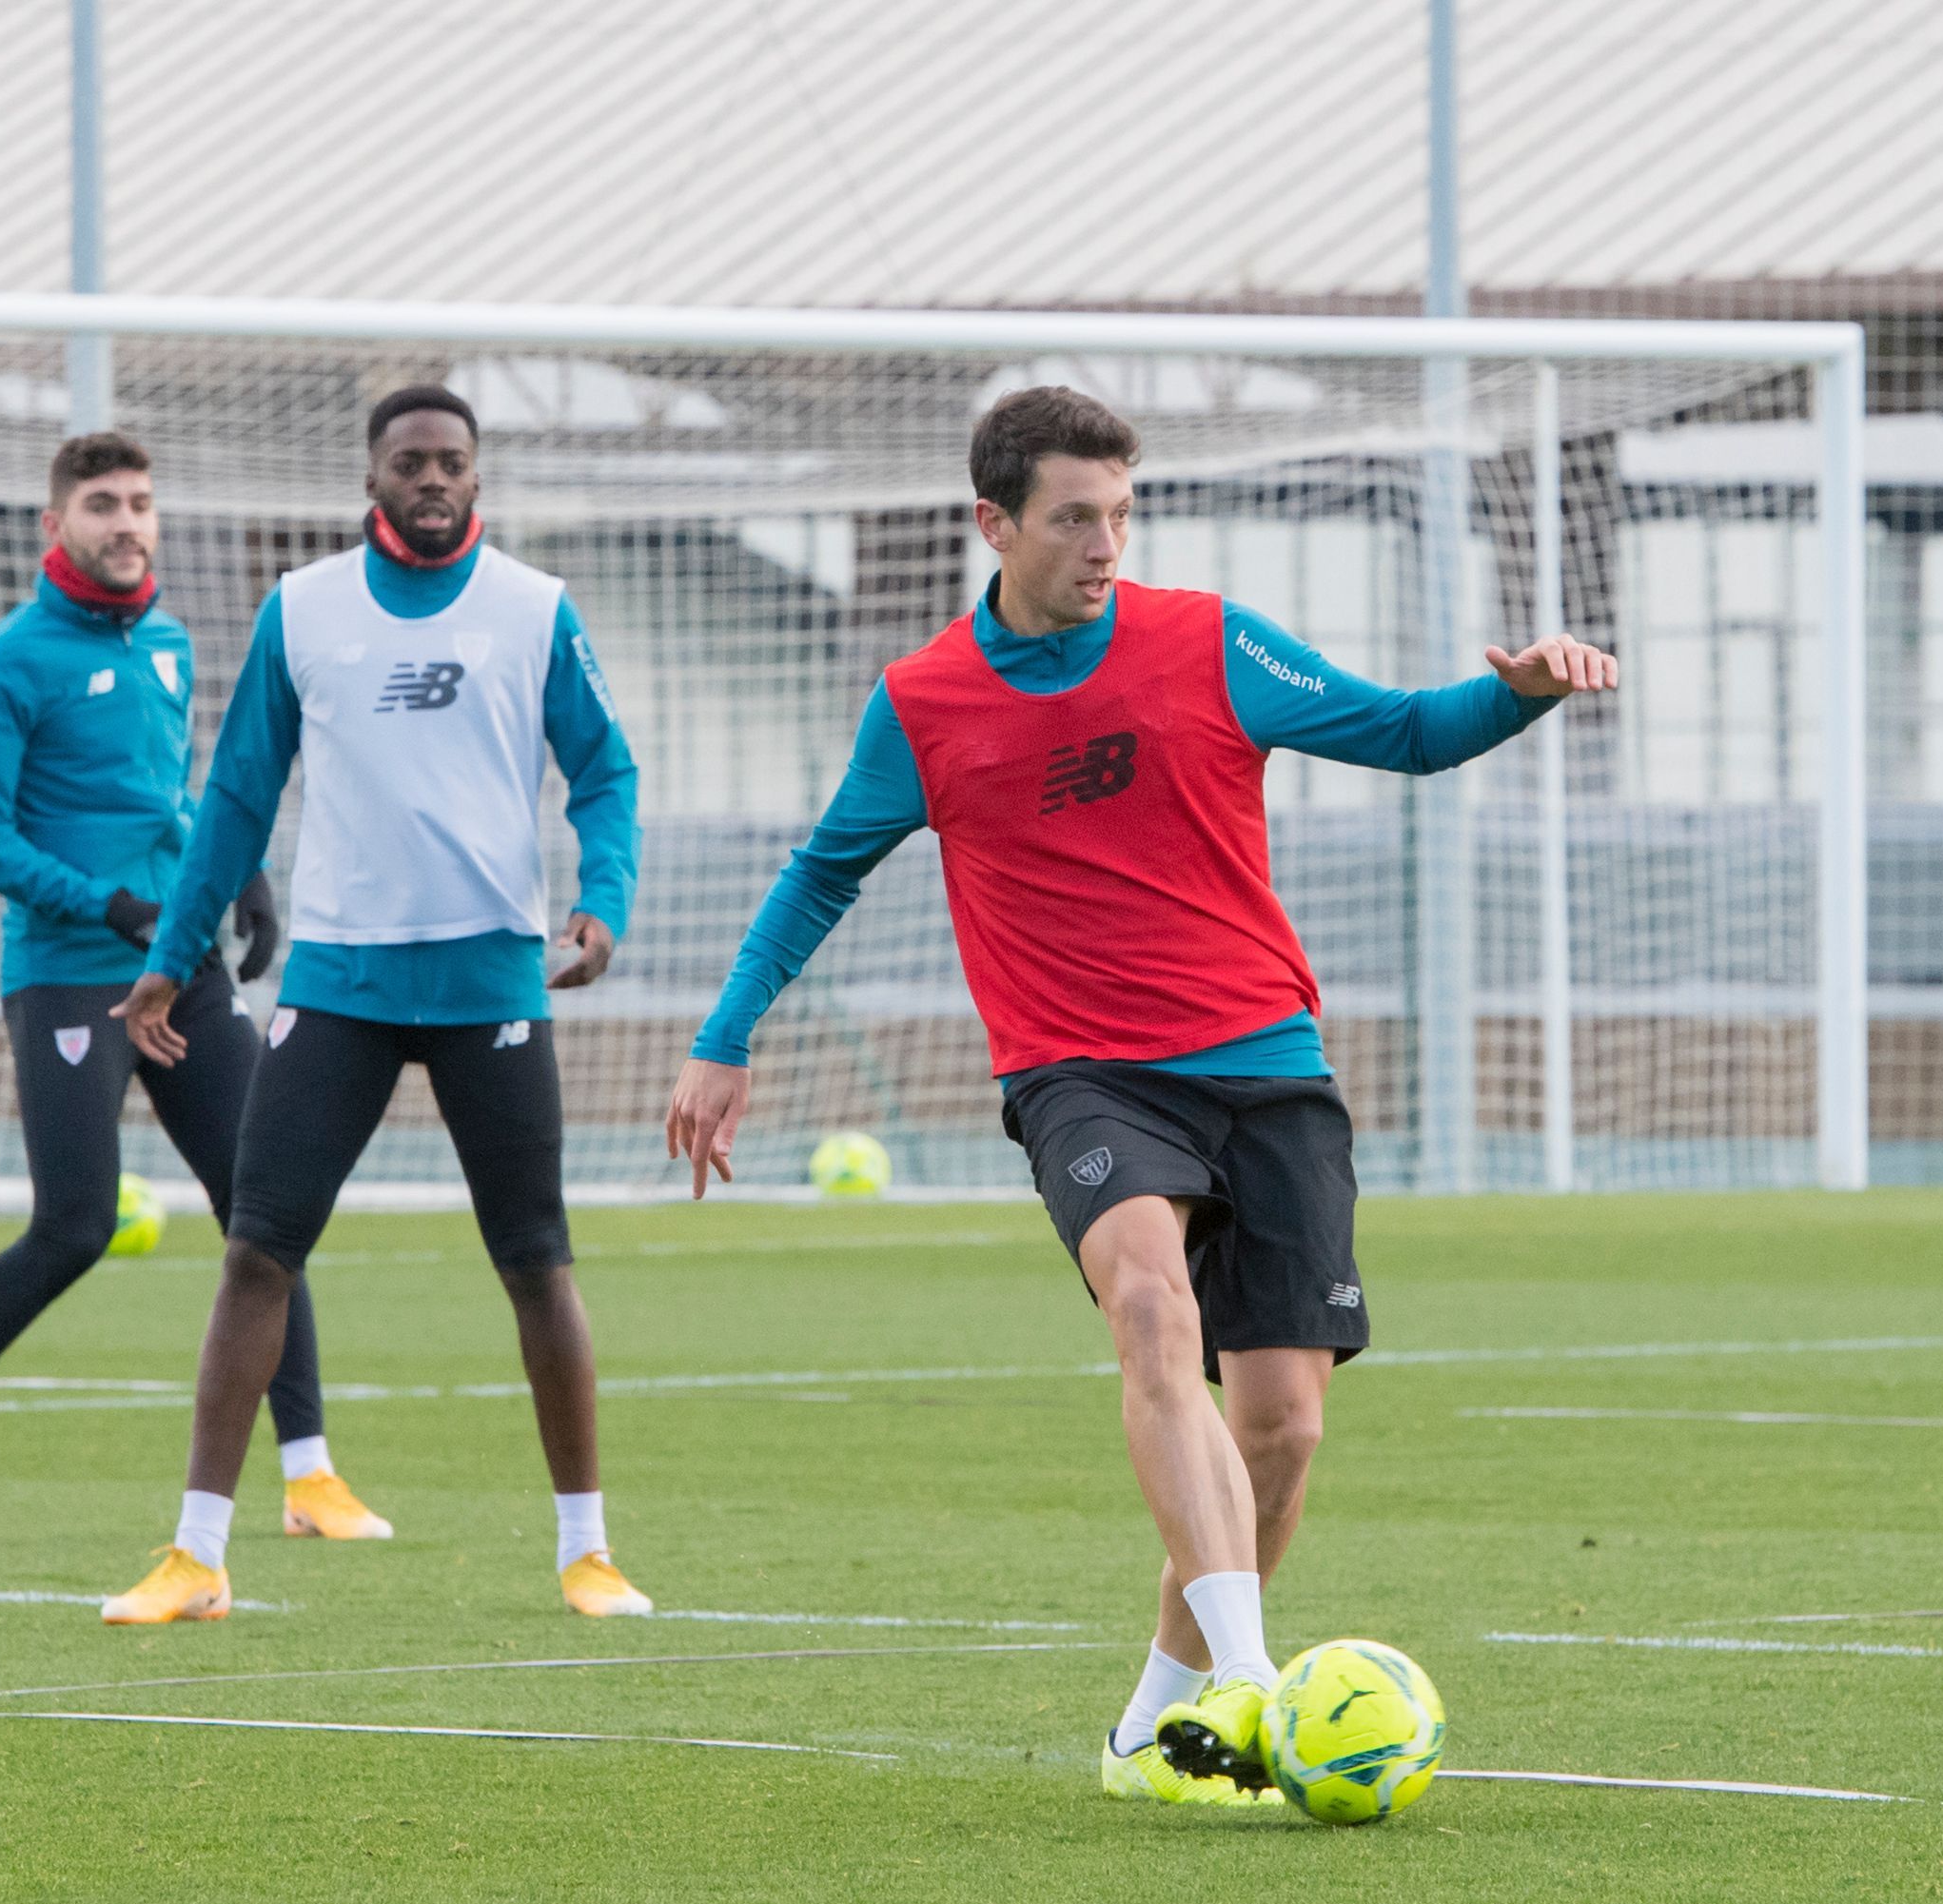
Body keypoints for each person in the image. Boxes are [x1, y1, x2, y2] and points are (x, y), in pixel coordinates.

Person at [663, 385, 1616, 1804]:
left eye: (1122, 511)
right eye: (1073, 518)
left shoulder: (1210, 640)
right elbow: (822, 872)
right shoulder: (924, 702)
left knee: (1282, 1425)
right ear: (993, 523)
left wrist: (1521, 691)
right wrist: (724, 1034)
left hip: (1268, 1066)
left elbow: (1410, 731)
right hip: (1084, 1077)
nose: (1107, 543)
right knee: (1155, 1311)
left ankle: (1157, 1719)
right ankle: (1251, 1677)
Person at [95, 384, 646, 1624]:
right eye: (412, 462)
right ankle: (196, 1553)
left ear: (475, 473)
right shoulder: (306, 607)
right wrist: (177, 955)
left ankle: (588, 1548)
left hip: (491, 979)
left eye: (452, 460)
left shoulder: (535, 609)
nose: (434, 480)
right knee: (256, 1248)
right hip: (339, 981)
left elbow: (605, 767)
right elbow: (237, 797)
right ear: (374, 475)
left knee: (535, 1258)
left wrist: (603, 897)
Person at [0, 431, 385, 1550]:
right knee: (76, 1224)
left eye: (142, 502)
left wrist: (244, 878)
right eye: (103, 503)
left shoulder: (170, 643)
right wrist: (109, 905)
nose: (128, 522)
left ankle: (310, 1473)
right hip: (70, 977)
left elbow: (180, 793)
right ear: (57, 524)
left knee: (266, 1207)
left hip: (180, 967)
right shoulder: (4, 664)